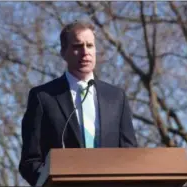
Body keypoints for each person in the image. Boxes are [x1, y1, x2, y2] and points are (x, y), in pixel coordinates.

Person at [19, 21, 137, 186]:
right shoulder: (43, 97)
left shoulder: (116, 97)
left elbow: (129, 154)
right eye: (77, 46)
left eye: (90, 45)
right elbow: (30, 160)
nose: (85, 52)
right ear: (63, 52)